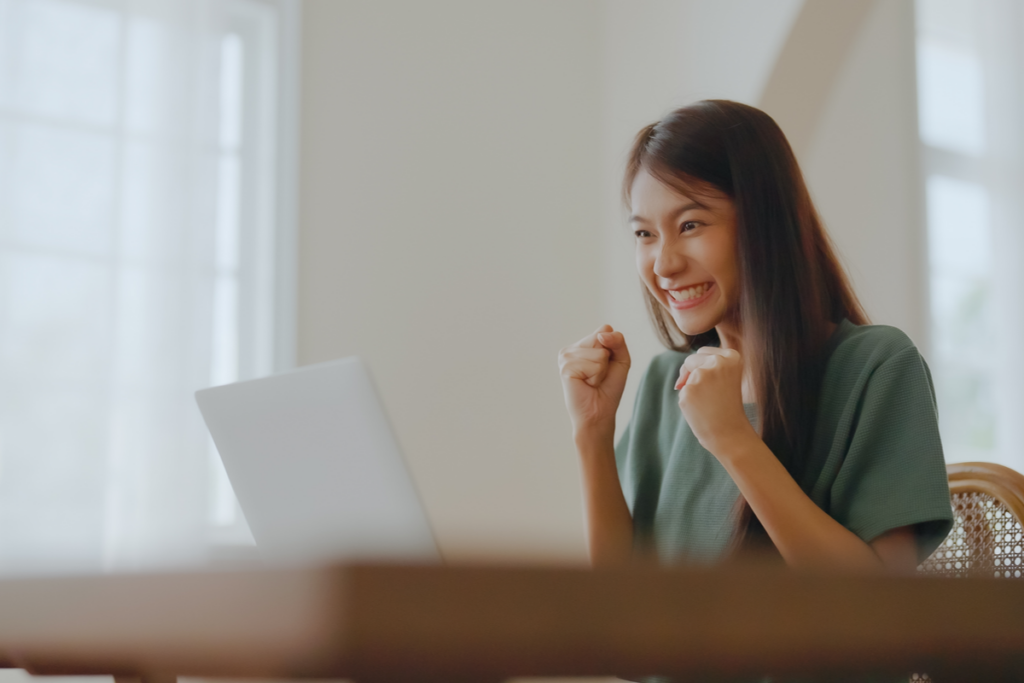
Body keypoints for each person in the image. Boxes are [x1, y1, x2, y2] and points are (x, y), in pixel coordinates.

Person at [557, 100, 953, 577]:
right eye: (644, 234)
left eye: (690, 226)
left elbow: (879, 602)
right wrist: (592, 433)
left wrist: (731, 438)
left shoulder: (875, 368)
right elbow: (619, 595)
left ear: (764, 222)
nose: (663, 265)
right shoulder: (667, 380)